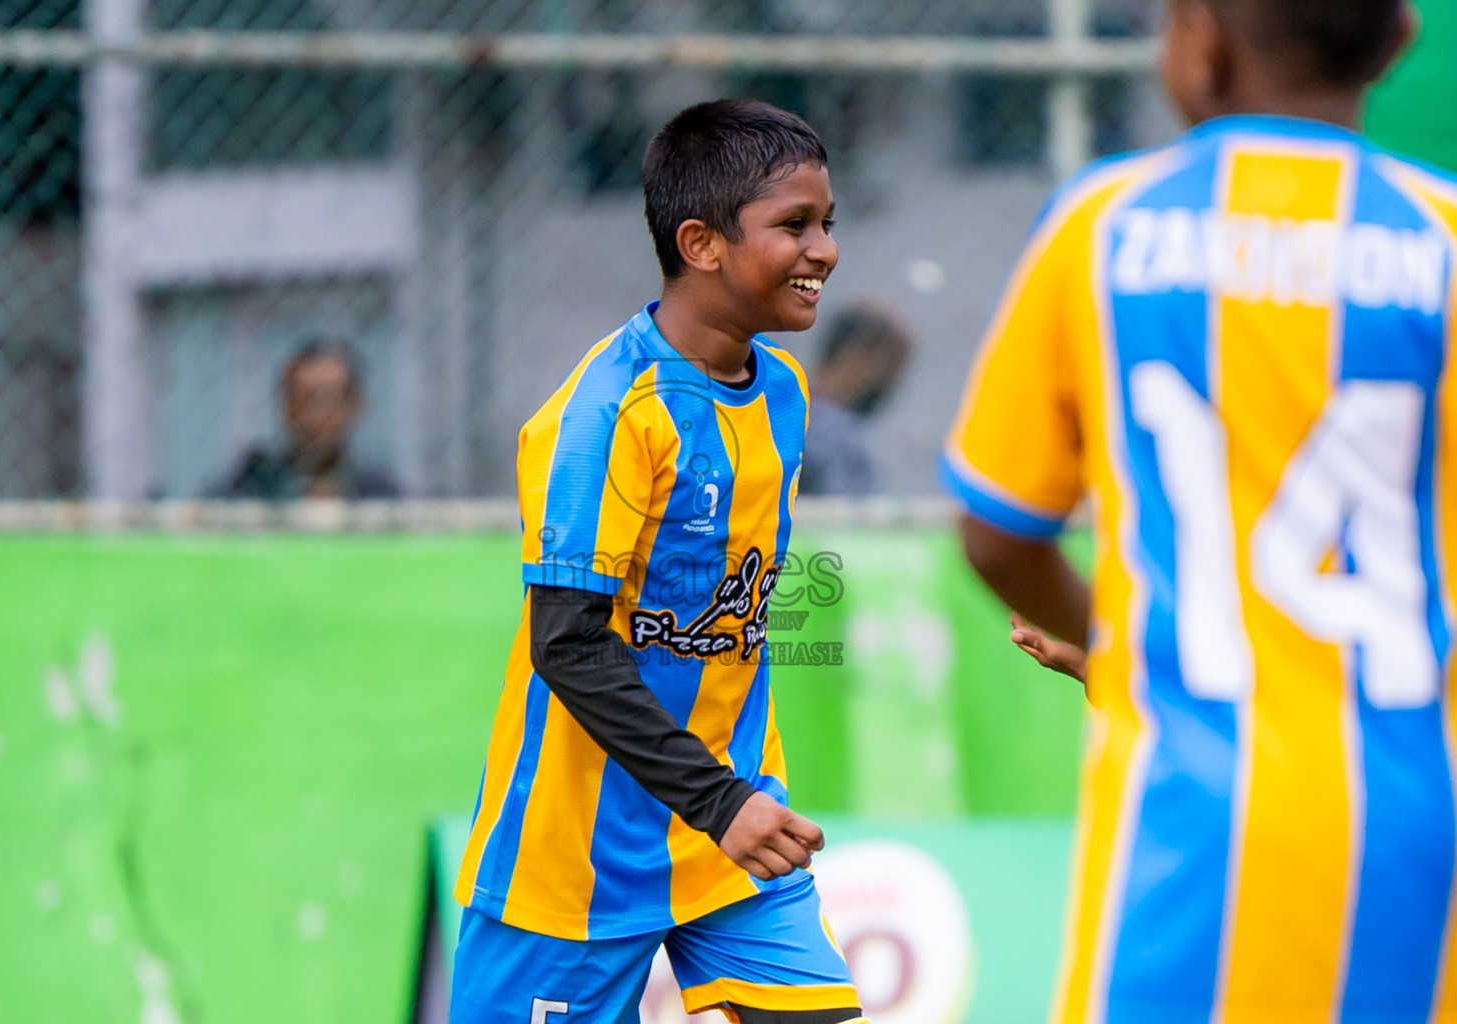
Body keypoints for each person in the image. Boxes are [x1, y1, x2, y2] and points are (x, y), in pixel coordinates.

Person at [943, 1, 1457, 1021]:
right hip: (1413, 829)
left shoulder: (1107, 225)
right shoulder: (1441, 238)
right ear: (1397, 41)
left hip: (1182, 823)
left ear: (1202, 38)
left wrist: (1115, 639)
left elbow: (1000, 525)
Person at [449, 100, 864, 1024]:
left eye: (828, 223)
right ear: (702, 243)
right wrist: (719, 801)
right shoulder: (603, 418)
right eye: (795, 226)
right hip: (576, 865)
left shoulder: (784, 395)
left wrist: (727, 805)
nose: (826, 250)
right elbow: (569, 645)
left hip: (730, 843)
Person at [209, 341, 401, 500]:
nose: (312, 415)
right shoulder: (251, 485)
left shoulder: (378, 494)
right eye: (300, 399)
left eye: (327, 398)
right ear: (285, 408)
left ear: (355, 405)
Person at [801, 305, 912, 496]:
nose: (890, 383)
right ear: (861, 357)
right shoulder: (823, 433)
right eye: (888, 368)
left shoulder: (783, 408)